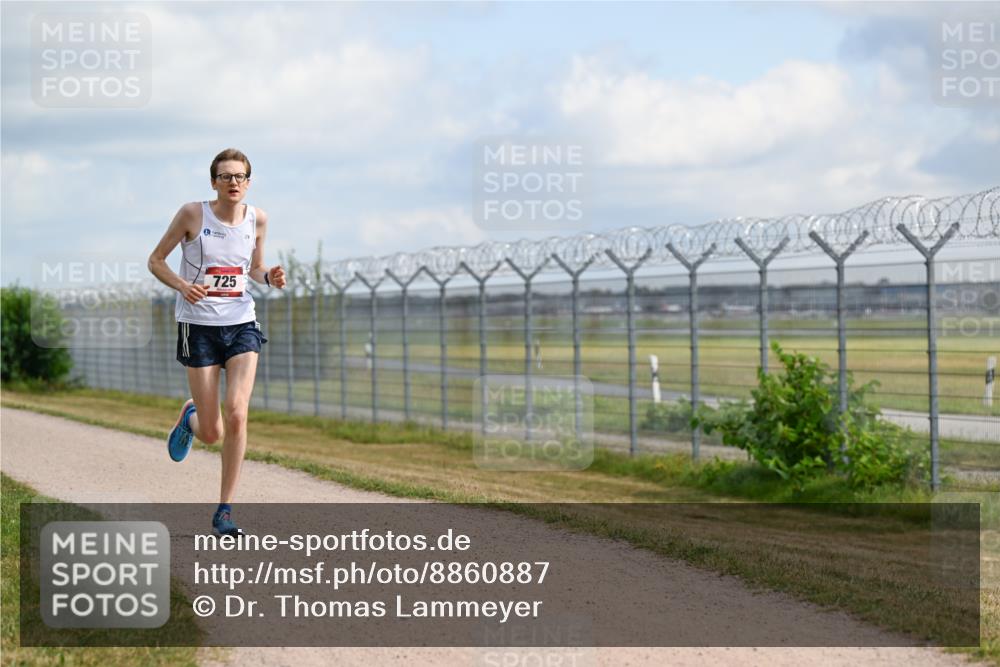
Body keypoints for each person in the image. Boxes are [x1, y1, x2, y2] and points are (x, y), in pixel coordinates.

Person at [147, 148, 286, 536]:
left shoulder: (257, 218)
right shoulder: (193, 214)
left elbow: (253, 268)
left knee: (237, 412)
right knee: (212, 433)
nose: (233, 182)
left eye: (240, 176)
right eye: (225, 176)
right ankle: (191, 417)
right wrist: (183, 286)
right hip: (198, 327)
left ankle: (224, 511)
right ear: (213, 182)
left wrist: (269, 276)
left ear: (248, 182)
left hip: (241, 323)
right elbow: (156, 260)